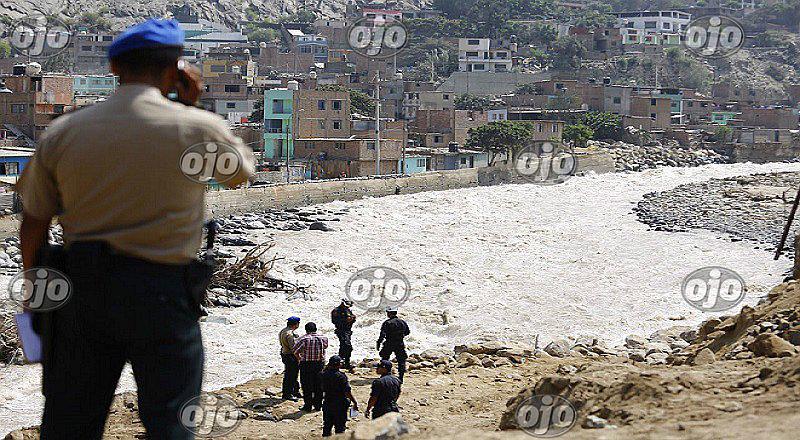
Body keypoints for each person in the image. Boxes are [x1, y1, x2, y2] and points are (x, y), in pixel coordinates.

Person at [16, 19, 254, 439]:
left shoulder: (65, 131)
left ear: (113, 69)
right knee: (171, 422)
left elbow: (34, 220)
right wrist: (191, 105)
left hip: (80, 292)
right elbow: (237, 175)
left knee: (69, 423)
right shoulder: (195, 128)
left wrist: (37, 298)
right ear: (174, 69)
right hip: (163, 295)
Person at [292, 322, 329, 411]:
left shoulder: (303, 339)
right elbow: (326, 346)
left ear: (306, 330)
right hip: (319, 364)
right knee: (318, 385)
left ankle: (308, 406)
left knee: (307, 386)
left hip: (306, 365)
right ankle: (318, 405)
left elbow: (295, 351)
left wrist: (299, 358)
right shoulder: (323, 338)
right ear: (315, 329)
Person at [320, 355, 358, 437]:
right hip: (340, 404)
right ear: (338, 364)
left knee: (327, 426)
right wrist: (354, 402)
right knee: (340, 428)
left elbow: (321, 388)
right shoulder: (341, 376)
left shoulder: (323, 374)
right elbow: (347, 392)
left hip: (328, 402)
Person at [376, 307, 410, 383]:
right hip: (399, 343)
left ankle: (385, 376)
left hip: (389, 343)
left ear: (389, 313)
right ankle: (401, 377)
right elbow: (407, 332)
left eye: (388, 312)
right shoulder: (402, 322)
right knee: (401, 360)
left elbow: (382, 335)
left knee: (385, 359)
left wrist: (378, 342)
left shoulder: (387, 323)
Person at [279, 316, 302, 401]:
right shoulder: (290, 335)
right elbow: (294, 349)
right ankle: (288, 394)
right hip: (290, 356)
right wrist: (299, 358)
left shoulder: (283, 331)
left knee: (290, 374)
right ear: (295, 324)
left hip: (284, 353)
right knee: (291, 376)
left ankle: (295, 391)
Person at [331, 298, 356, 371]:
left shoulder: (348, 310)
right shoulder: (336, 311)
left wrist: (351, 319)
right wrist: (345, 320)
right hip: (341, 330)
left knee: (343, 346)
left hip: (347, 330)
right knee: (347, 346)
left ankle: (343, 362)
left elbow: (353, 318)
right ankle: (343, 362)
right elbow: (334, 321)